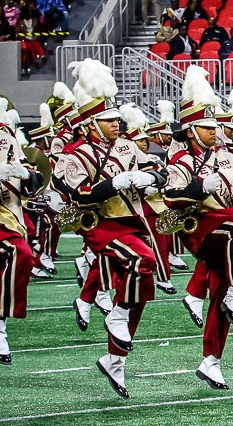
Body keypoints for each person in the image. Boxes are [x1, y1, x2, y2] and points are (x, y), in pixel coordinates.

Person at [55, 60, 165, 399]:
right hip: (101, 225)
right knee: (142, 261)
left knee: (143, 291)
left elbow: (159, 173)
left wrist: (151, 180)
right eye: (108, 120)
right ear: (91, 124)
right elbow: (79, 194)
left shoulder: (128, 146)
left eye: (116, 118)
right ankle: (112, 313)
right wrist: (114, 182)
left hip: (134, 222)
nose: (116, 123)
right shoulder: (73, 155)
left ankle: (115, 360)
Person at [164, 73, 233, 390]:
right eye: (207, 127)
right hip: (200, 226)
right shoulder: (179, 159)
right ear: (191, 130)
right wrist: (199, 186)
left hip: (224, 222)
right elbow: (171, 196)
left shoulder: (226, 154)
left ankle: (211, 361)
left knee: (219, 289)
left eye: (215, 126)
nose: (215, 132)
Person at [0, 70, 39, 411]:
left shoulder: (4, 133)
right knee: (19, 254)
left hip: (4, 216)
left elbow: (24, 169)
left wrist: (28, 177)